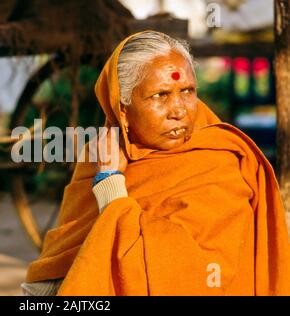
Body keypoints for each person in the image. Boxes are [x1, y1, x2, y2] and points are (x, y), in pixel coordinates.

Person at [21, 31, 290, 296]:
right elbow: (58, 273)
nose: (179, 110)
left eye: (187, 91)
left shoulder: (220, 163)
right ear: (122, 109)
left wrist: (111, 188)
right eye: (160, 96)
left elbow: (182, 278)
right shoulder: (100, 159)